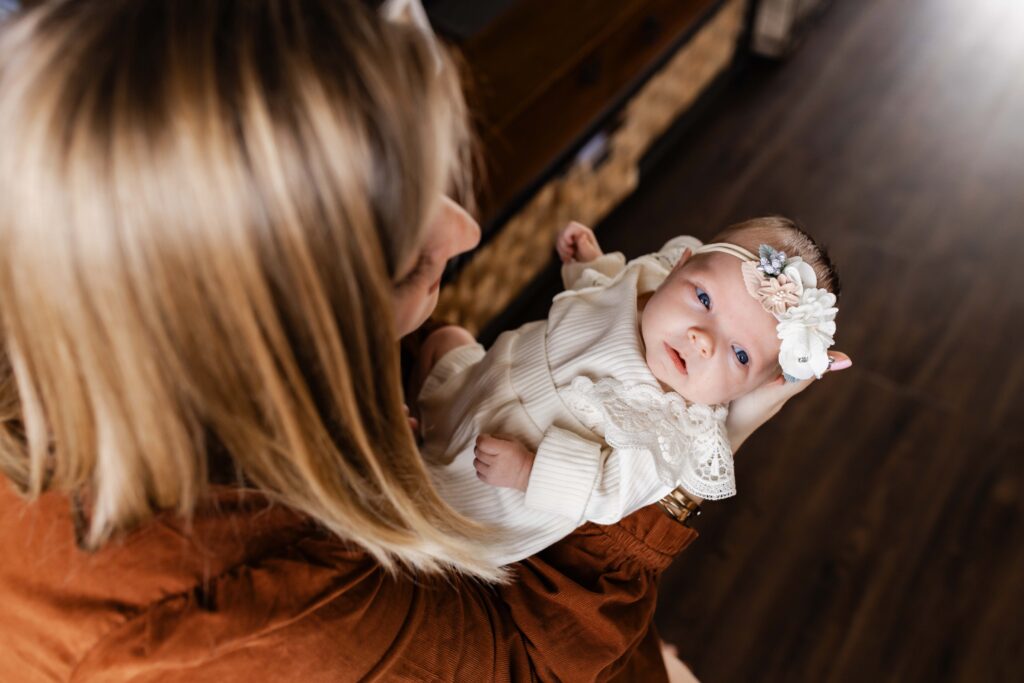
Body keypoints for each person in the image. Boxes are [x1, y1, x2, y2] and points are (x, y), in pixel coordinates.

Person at [0, 1, 849, 680]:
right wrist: (679, 483)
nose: (467, 229)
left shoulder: (121, 329)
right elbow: (530, 663)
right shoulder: (248, 628)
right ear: (268, 319)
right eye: (398, 234)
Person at [412, 218, 846, 565]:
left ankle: (415, 467)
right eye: (704, 299)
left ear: (754, 387)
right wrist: (589, 266)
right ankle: (426, 423)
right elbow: (604, 288)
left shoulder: (671, 425)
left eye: (739, 354)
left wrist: (528, 472)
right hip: (487, 381)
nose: (702, 339)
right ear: (680, 266)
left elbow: (610, 491)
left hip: (503, 472)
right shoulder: (646, 285)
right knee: (445, 343)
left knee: (430, 515)